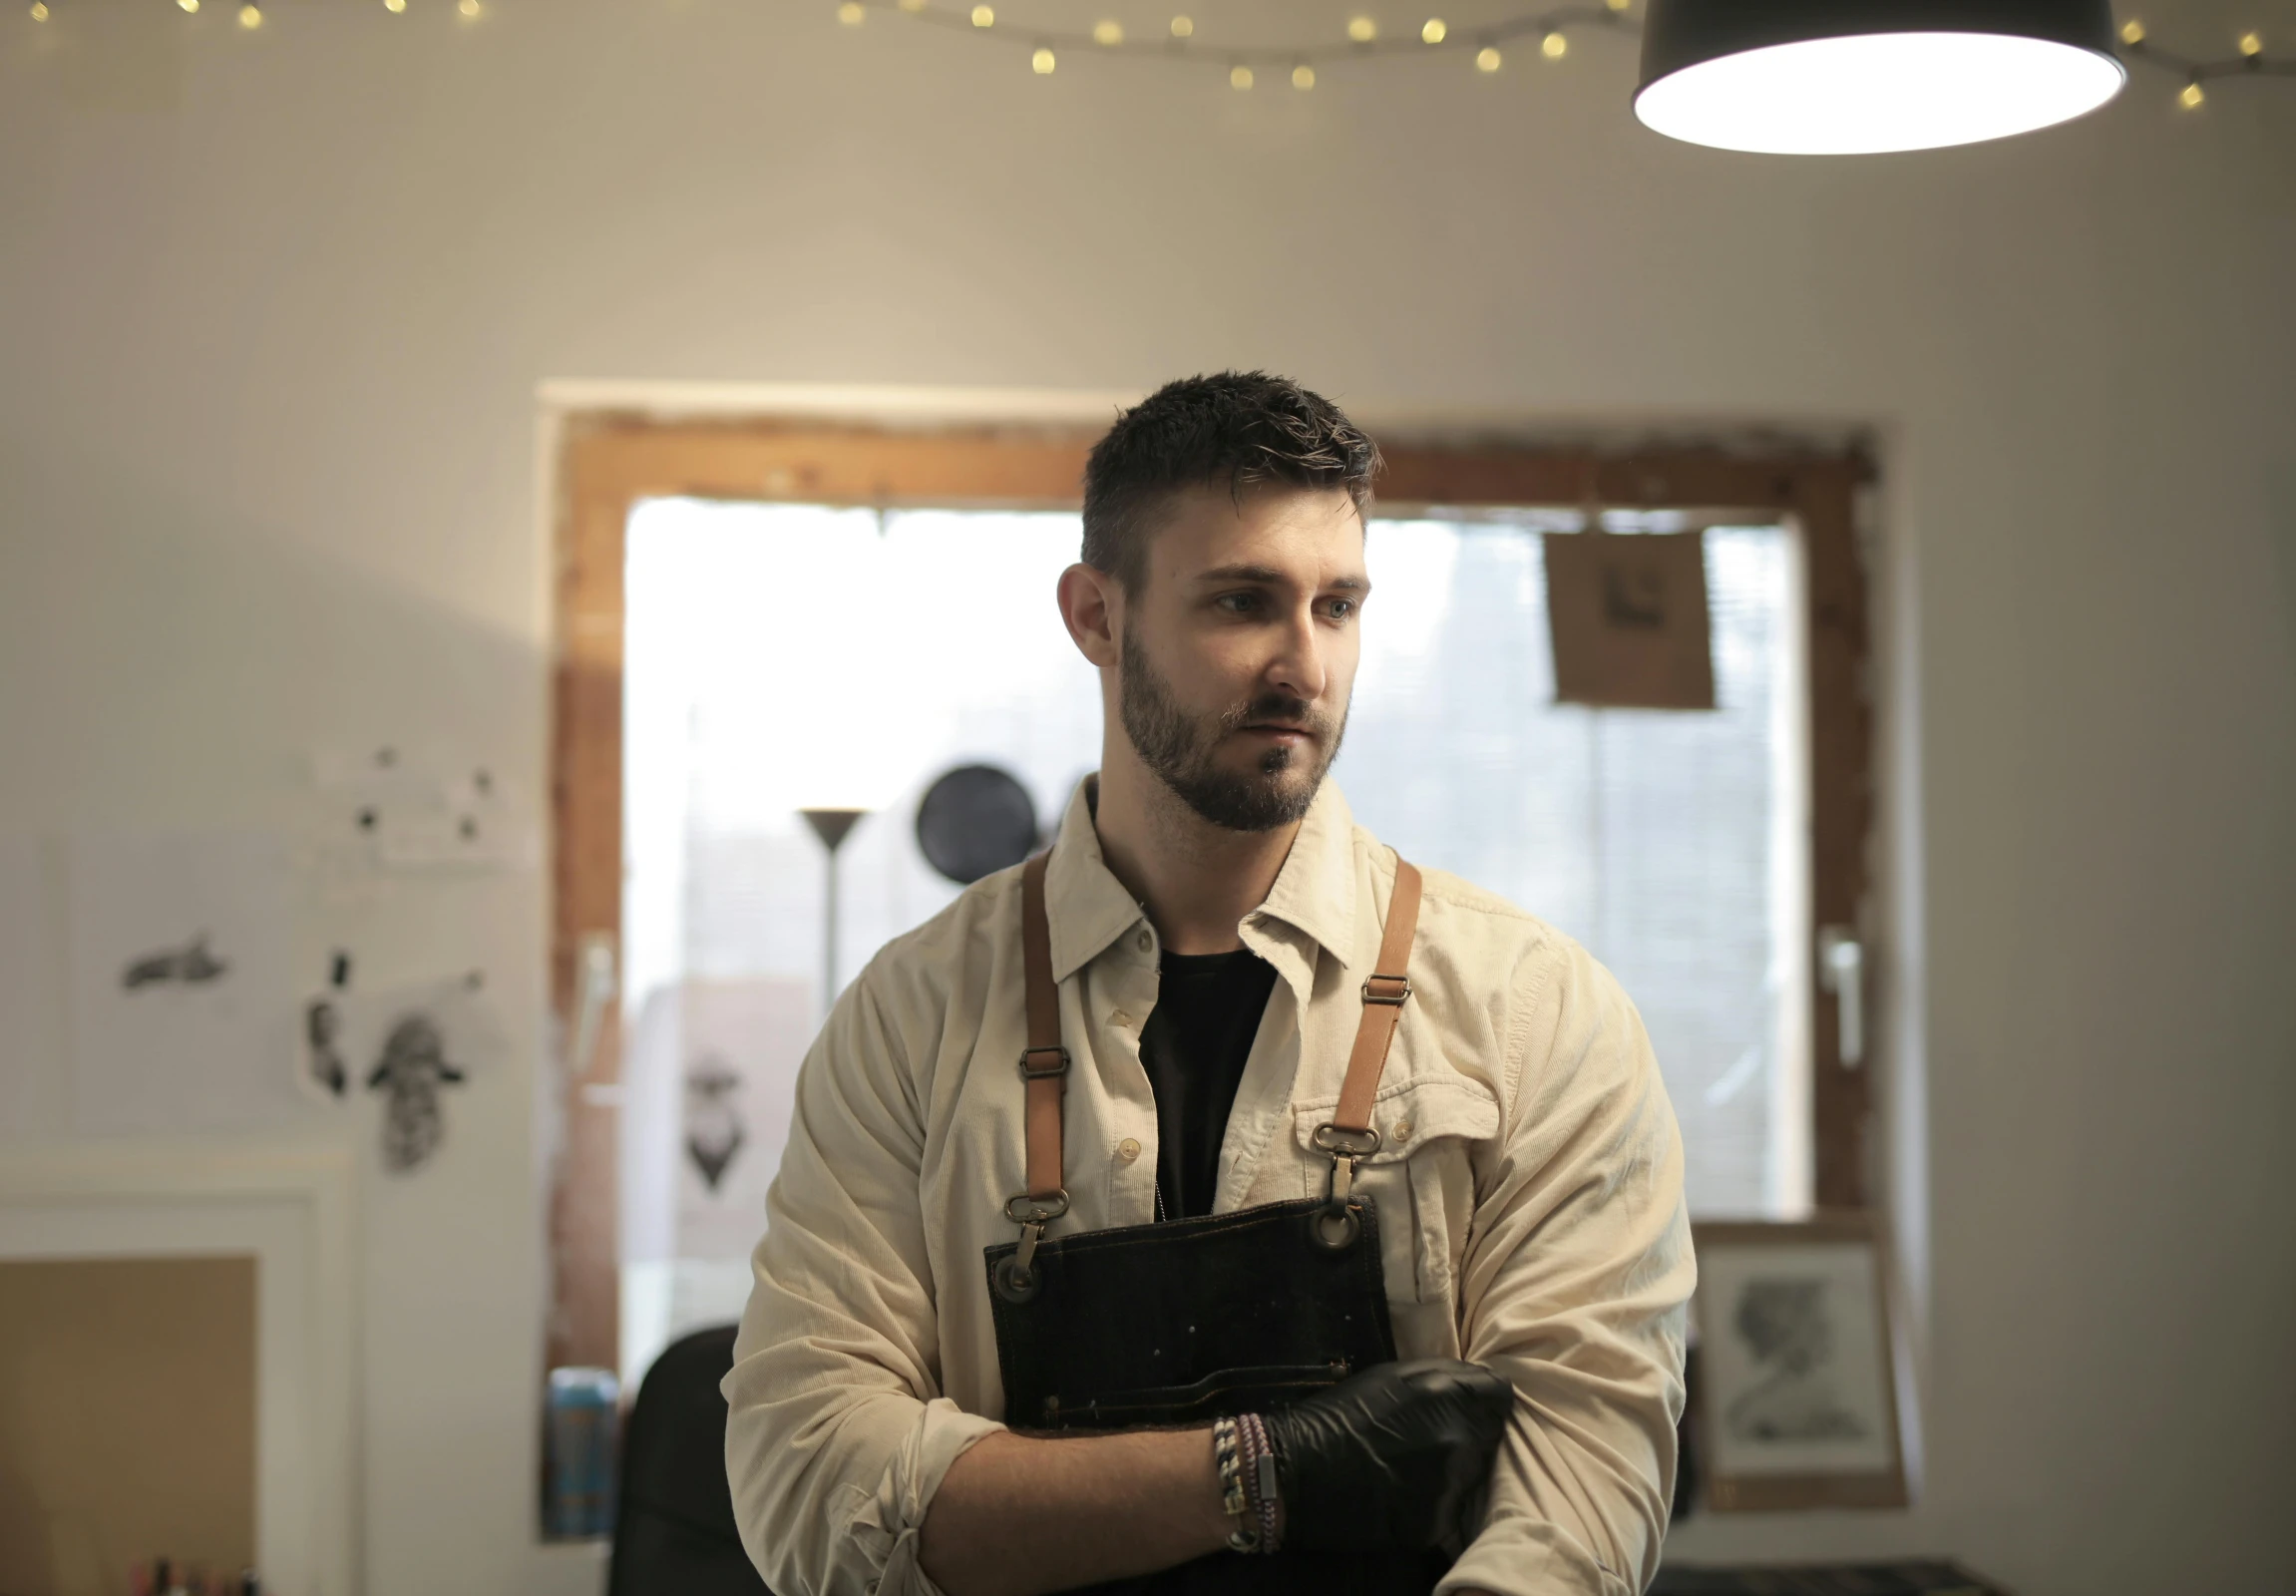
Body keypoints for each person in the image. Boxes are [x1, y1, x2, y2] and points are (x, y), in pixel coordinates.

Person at [724, 372, 1695, 1596]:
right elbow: (807, 1480)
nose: (1305, 663)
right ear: (1097, 616)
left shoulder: (1534, 1012)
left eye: (1336, 605)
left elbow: (1579, 1494)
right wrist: (1259, 1470)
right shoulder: (912, 1019)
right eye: (1243, 601)